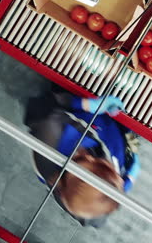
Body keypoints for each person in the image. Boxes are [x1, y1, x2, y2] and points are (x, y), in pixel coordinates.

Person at [26, 92, 140, 227]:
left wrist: (87, 105)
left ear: (94, 162)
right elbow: (99, 220)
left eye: (117, 177)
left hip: (90, 94)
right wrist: (127, 183)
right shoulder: (88, 202)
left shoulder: (48, 149)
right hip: (122, 120)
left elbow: (37, 107)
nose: (121, 179)